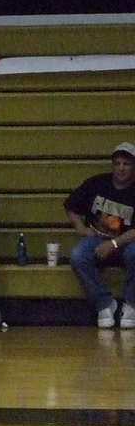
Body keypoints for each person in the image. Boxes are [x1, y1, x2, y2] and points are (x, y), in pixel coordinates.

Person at [63, 141, 135, 328]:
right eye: (117, 163)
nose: (121, 168)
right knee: (78, 256)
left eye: (126, 164)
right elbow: (70, 206)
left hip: (128, 243)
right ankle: (104, 303)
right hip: (97, 238)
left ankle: (130, 304)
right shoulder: (96, 184)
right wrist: (80, 228)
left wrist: (113, 244)